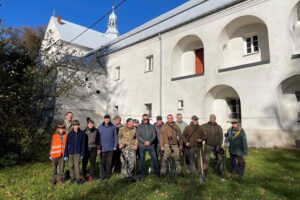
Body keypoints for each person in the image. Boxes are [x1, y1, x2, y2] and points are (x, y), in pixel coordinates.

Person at [64, 120, 85, 184]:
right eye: (74, 125)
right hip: (70, 152)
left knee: (76, 165)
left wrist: (82, 153)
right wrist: (65, 154)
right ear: (72, 126)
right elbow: (66, 144)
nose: (76, 126)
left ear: (79, 125)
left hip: (78, 152)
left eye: (77, 125)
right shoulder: (70, 134)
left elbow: (83, 144)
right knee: (70, 165)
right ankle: (72, 177)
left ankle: (78, 178)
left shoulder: (82, 133)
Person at [98, 115, 118, 180]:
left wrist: (115, 145)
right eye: (105, 119)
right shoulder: (100, 127)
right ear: (104, 119)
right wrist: (98, 147)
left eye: (108, 119)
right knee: (103, 162)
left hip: (110, 147)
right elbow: (98, 138)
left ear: (109, 119)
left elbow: (115, 137)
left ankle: (108, 175)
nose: (107, 120)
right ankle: (102, 176)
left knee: (109, 162)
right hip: (102, 148)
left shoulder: (113, 127)